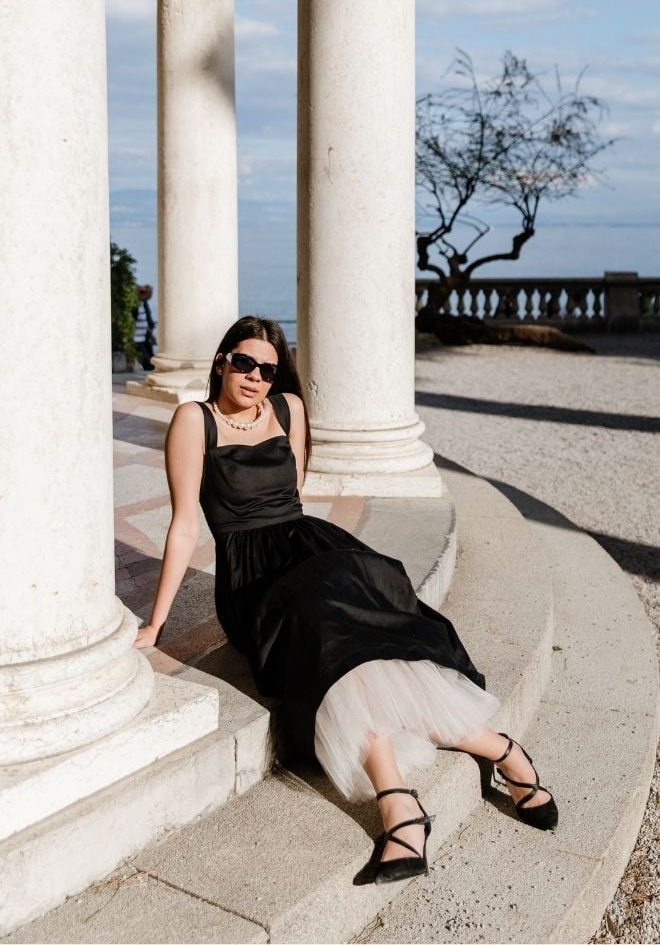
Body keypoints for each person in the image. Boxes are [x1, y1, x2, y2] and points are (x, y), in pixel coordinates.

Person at [135, 316, 558, 885]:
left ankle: (454, 779)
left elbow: (293, 493)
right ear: (221, 361)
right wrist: (157, 623)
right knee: (329, 627)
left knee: (363, 601)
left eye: (268, 369)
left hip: (309, 545)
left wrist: (307, 550)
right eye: (245, 363)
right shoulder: (195, 420)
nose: (256, 377)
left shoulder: (288, 407)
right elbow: (185, 525)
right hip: (250, 577)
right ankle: (460, 772)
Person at [132, 285, 156, 370]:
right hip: (138, 337)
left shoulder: (144, 304)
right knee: (147, 359)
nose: (144, 295)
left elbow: (147, 319)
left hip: (144, 336)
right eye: (142, 292)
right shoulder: (136, 305)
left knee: (151, 358)